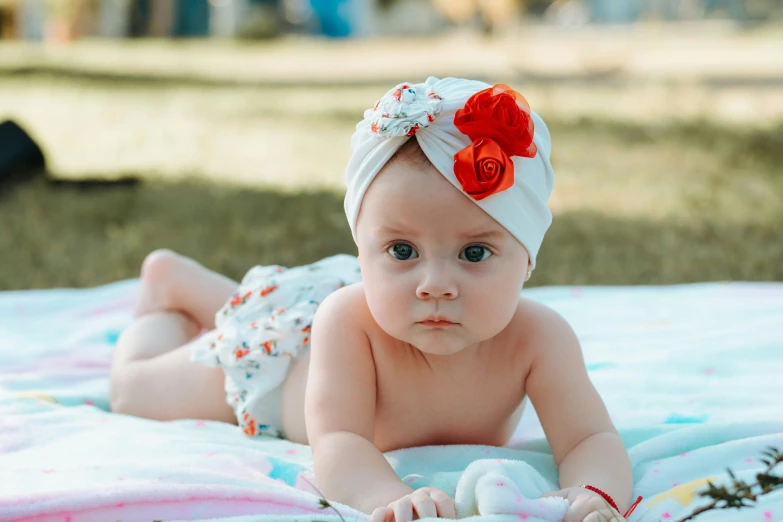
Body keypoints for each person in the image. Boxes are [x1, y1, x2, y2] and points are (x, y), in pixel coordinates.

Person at [110, 77, 634, 522]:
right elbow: (338, 442)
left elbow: (590, 438)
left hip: (325, 318)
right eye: (402, 250)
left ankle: (192, 284)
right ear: (363, 252)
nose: (434, 283)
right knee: (135, 390)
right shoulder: (348, 320)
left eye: (474, 253)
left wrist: (594, 495)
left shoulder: (540, 338)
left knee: (274, 307)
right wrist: (391, 498)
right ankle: (167, 285)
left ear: (527, 259)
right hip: (283, 369)